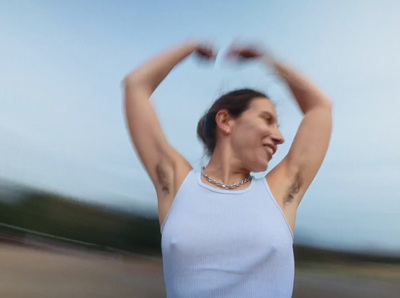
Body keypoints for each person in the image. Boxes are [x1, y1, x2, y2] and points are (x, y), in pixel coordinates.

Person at [123, 40, 332, 298]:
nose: (279, 137)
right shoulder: (176, 185)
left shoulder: (281, 191)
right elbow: (135, 86)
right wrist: (189, 47)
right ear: (225, 121)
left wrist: (268, 59)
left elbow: (320, 107)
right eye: (267, 120)